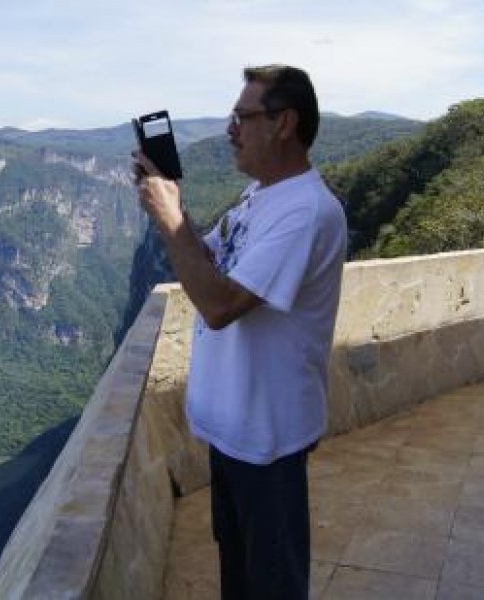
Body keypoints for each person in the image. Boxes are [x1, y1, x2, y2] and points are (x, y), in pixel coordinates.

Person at [133, 64, 347, 600]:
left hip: (268, 440)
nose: (230, 129)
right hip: (233, 434)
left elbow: (221, 303)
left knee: (272, 581)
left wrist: (170, 219)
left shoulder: (305, 211)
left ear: (284, 123)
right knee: (241, 574)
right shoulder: (261, 196)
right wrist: (173, 205)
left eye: (241, 116)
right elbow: (213, 263)